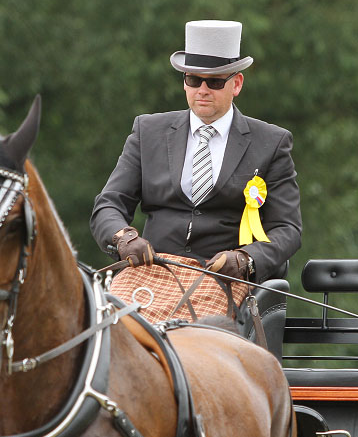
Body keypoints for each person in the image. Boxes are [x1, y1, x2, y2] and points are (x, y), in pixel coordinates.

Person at [90, 20, 302, 288]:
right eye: (193, 79)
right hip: (151, 272)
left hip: (224, 279)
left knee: (200, 330)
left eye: (214, 82)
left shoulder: (272, 142)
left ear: (236, 84)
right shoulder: (148, 131)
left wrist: (246, 259)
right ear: (184, 83)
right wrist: (124, 239)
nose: (202, 90)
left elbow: (287, 229)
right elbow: (108, 205)